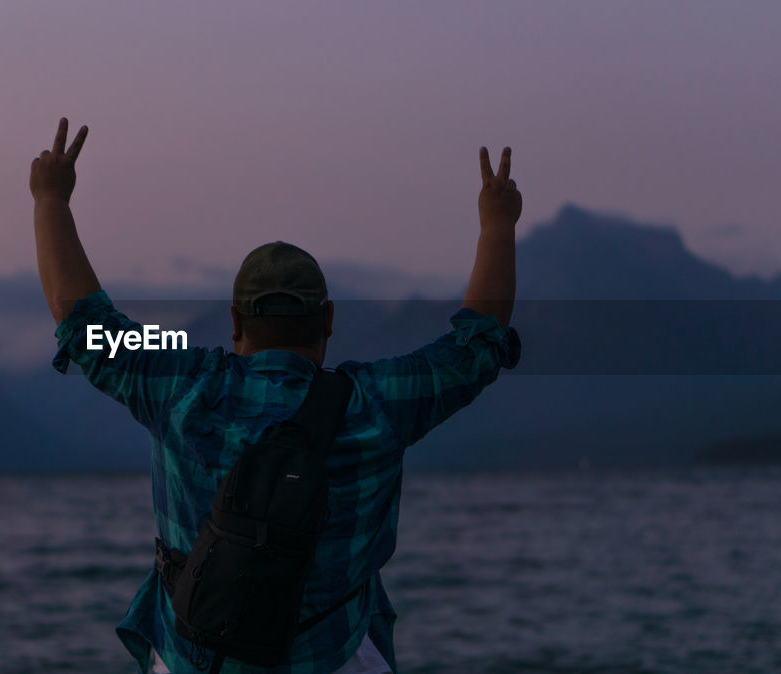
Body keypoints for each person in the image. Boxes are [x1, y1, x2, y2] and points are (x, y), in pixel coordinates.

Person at [30, 117, 522, 673]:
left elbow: (81, 321)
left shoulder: (179, 386)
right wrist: (497, 223)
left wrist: (51, 199)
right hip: (330, 658)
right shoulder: (378, 404)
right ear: (328, 320)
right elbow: (476, 345)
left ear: (235, 322)